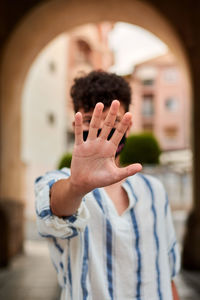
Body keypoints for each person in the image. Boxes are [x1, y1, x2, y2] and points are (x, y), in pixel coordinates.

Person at [35, 71, 180, 300]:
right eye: (92, 117)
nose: (102, 126)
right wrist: (76, 186)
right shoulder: (58, 182)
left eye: (113, 120)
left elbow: (167, 270)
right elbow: (55, 209)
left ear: (127, 127)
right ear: (77, 123)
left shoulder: (155, 190)